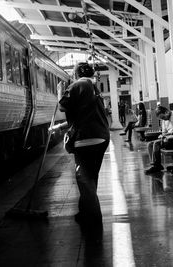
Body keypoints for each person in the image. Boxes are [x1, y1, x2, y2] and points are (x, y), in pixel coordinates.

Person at [50, 62, 110, 231]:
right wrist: (59, 127)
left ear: (75, 74)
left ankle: (94, 221)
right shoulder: (93, 88)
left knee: (84, 180)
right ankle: (84, 212)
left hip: (85, 139)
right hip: (101, 138)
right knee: (90, 178)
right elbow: (81, 117)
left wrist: (60, 93)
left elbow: (62, 106)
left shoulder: (78, 85)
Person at [144, 106, 173, 174]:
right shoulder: (164, 120)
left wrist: (170, 133)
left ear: (166, 112)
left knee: (157, 144)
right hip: (168, 138)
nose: (164, 119)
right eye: (162, 118)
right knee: (150, 144)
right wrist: (163, 135)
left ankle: (157, 166)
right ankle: (154, 164)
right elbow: (164, 132)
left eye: (163, 117)